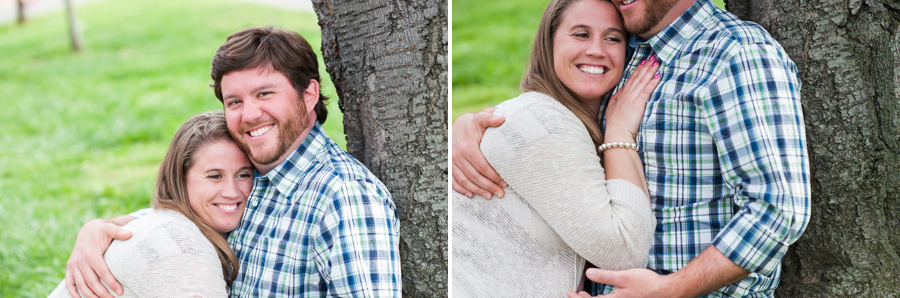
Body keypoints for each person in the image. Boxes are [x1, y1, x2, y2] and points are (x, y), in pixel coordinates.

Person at [452, 0, 811, 296]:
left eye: (611, 39)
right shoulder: (628, 51)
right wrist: (474, 124)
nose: (599, 46)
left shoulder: (735, 53)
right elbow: (557, 121)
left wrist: (671, 289)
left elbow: (778, 209)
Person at [64, 26, 402, 298]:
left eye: (265, 94)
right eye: (235, 101)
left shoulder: (346, 197)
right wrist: (95, 231)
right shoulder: (255, 172)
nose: (250, 115)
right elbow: (184, 212)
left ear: (309, 94)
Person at [452, 0, 660, 296]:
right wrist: (620, 131)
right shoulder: (543, 125)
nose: (597, 50)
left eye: (613, 38)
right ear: (548, 43)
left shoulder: (547, 118)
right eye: (581, 34)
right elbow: (624, 254)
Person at [50, 110, 253, 297]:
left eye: (243, 175)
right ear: (180, 179)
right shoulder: (180, 252)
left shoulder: (174, 222)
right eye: (215, 176)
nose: (231, 191)